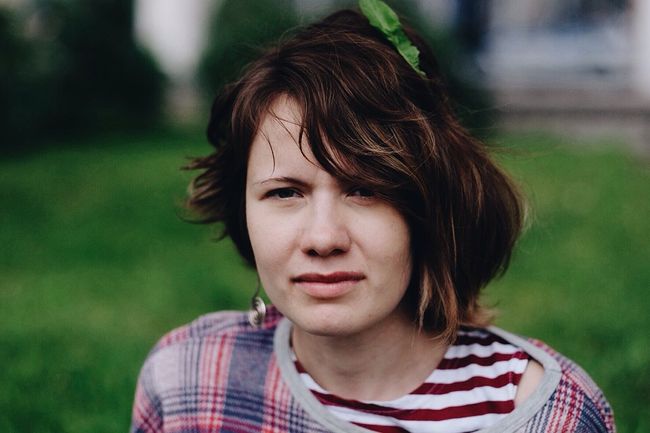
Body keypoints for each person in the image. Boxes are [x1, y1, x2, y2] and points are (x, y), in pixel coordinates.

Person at [130, 1, 615, 432]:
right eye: (285, 192)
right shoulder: (187, 384)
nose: (323, 238)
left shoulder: (547, 416)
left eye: (365, 190)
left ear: (431, 207)